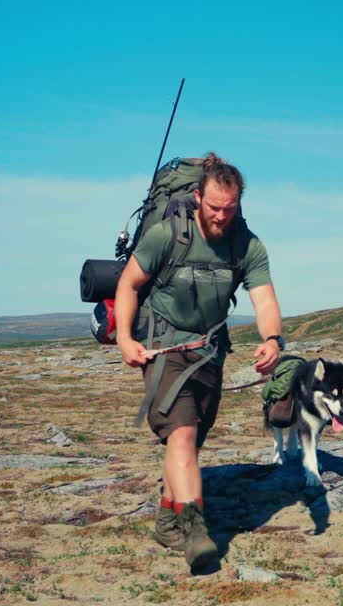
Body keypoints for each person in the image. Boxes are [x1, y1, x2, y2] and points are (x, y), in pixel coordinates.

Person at [115, 152, 283, 570]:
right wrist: (124, 338)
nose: (222, 217)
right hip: (163, 347)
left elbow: (264, 297)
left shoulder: (247, 244)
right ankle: (195, 530)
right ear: (196, 197)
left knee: (190, 442)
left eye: (230, 208)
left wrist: (273, 338)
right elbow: (129, 285)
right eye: (214, 208)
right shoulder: (165, 235)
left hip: (209, 351)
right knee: (182, 435)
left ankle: (167, 521)